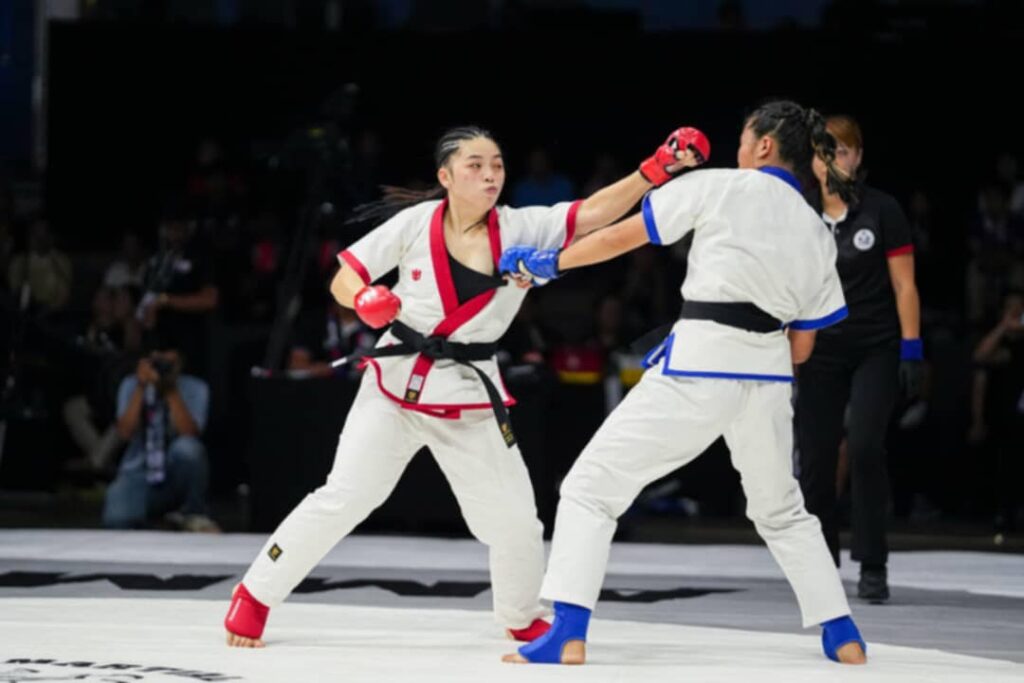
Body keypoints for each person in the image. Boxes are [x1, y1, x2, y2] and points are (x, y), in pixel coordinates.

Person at [223, 124, 710, 648]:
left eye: (496, 165)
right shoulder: (415, 223)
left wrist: (653, 170)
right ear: (446, 176)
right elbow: (345, 274)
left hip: (468, 398)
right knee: (344, 495)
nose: (489, 174)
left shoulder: (522, 227)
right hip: (393, 389)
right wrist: (363, 299)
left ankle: (520, 615)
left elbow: (592, 213)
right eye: (475, 165)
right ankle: (254, 594)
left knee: (517, 522)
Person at [499, 101, 867, 666]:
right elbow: (803, 345)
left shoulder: (719, 185)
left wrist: (552, 263)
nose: (738, 149)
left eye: (743, 139)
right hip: (768, 377)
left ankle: (567, 632)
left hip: (701, 365)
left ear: (764, 145)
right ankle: (843, 634)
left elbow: (622, 237)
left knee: (590, 489)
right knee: (782, 510)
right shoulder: (816, 228)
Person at [794, 115, 922, 602]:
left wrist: (912, 348)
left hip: (876, 346)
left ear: (859, 156)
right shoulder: (800, 211)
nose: (835, 160)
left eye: (844, 151)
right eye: (825, 151)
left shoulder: (882, 210)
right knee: (817, 458)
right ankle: (820, 566)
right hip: (818, 348)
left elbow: (904, 285)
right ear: (813, 160)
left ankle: (873, 563)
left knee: (866, 446)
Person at [102, 349, 218, 532]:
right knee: (116, 519)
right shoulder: (131, 384)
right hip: (139, 472)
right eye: (158, 362)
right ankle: (159, 521)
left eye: (168, 363)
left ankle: (192, 513)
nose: (162, 367)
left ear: (180, 362)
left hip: (176, 473)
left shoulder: (196, 387)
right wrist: (141, 387)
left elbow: (189, 432)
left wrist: (170, 390)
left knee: (188, 448)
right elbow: (124, 432)